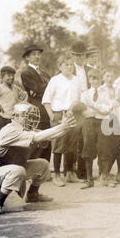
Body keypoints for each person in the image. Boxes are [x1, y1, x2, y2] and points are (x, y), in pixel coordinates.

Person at [0, 103, 77, 214]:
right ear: (16, 116)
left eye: (31, 117)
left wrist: (66, 127)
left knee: (43, 164)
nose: (31, 120)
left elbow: (48, 135)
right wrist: (62, 126)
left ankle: (33, 194)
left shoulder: (24, 129)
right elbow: (38, 137)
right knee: (18, 170)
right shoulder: (11, 130)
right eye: (27, 116)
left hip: (8, 168)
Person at [42, 54, 83, 186]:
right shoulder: (55, 80)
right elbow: (46, 100)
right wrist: (52, 116)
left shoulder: (77, 80)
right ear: (60, 66)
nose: (69, 67)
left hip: (73, 114)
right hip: (59, 114)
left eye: (71, 64)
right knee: (58, 145)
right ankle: (57, 175)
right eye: (66, 65)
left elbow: (80, 98)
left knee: (72, 145)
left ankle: (70, 173)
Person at [20, 44, 52, 161]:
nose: (37, 57)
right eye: (34, 54)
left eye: (39, 54)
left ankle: (44, 170)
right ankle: (34, 171)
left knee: (47, 140)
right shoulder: (26, 73)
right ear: (27, 57)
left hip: (47, 110)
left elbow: (42, 90)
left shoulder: (45, 74)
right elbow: (38, 89)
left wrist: (44, 88)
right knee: (37, 140)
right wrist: (51, 83)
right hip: (36, 111)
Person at [70, 41, 91, 180]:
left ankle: (82, 171)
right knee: (72, 139)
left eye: (83, 55)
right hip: (72, 106)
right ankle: (70, 169)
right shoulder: (67, 69)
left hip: (87, 106)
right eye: (77, 56)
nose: (80, 58)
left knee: (86, 138)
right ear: (72, 56)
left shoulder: (89, 69)